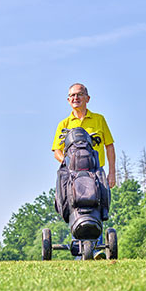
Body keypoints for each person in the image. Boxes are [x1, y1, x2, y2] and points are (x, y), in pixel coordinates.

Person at [52, 83, 115, 259]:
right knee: (76, 205)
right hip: (73, 175)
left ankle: (96, 249)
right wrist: (65, 160)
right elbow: (56, 150)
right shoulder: (64, 124)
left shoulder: (99, 120)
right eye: (72, 95)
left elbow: (109, 146)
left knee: (98, 205)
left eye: (79, 95)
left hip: (96, 173)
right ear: (68, 100)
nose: (75, 98)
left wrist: (112, 173)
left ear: (87, 98)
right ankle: (84, 251)